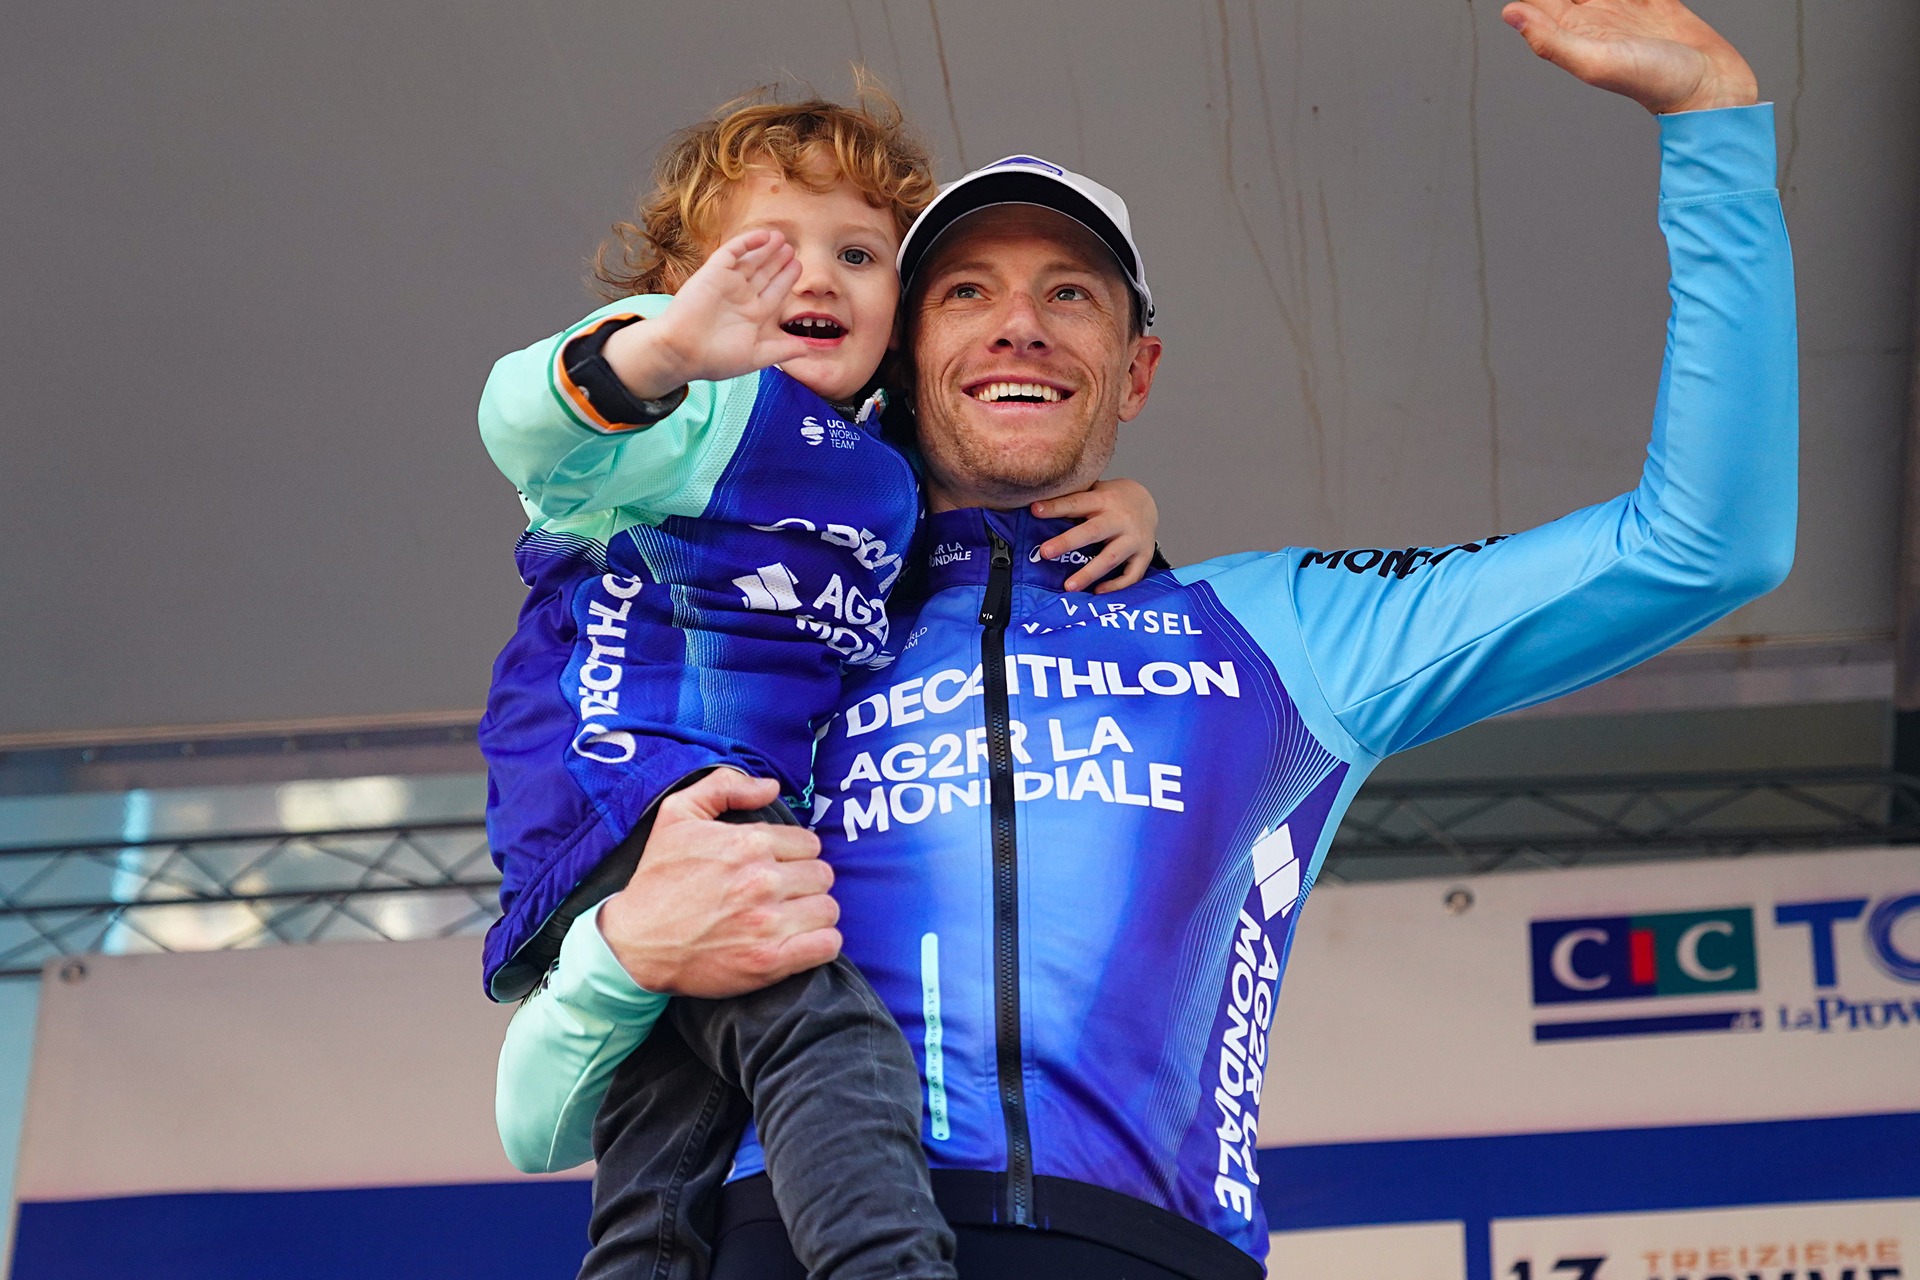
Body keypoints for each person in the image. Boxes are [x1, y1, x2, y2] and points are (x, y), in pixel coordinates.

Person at [500, 2, 1797, 1276]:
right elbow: (538, 1121)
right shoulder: (771, 616)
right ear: (901, 353)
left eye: (1071, 293)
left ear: (1136, 371)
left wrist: (1714, 132)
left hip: (1144, 1249)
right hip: (798, 1240)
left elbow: (1702, 547)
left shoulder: (1282, 633)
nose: (1020, 323)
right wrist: (623, 953)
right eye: (965, 291)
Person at [477, 86, 1163, 1280]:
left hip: (719, 825)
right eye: (767, 250)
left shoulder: (875, 464)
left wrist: (1134, 505)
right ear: (685, 281)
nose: (817, 277)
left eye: (859, 255)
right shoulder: (685, 413)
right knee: (835, 1042)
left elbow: (977, 490)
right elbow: (526, 426)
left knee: (667, 1130)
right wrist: (664, 346)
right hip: (637, 795)